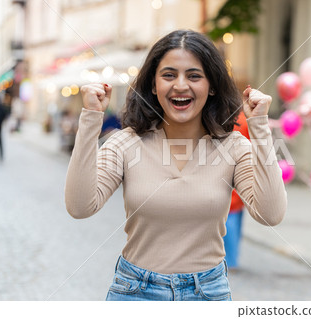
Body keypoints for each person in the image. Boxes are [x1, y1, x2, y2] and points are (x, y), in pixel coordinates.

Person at [65, 30, 287, 301]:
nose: (181, 85)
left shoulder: (234, 147)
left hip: (207, 294)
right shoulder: (125, 144)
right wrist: (90, 119)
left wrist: (260, 127)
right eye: (169, 75)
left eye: (194, 76)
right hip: (135, 294)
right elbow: (80, 206)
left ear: (212, 85)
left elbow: (270, 214)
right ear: (153, 85)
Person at [223, 111, 249, 270]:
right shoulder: (245, 120)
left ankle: (230, 260)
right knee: (237, 214)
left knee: (229, 217)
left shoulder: (224, 120)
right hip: (243, 174)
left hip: (228, 173)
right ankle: (232, 258)